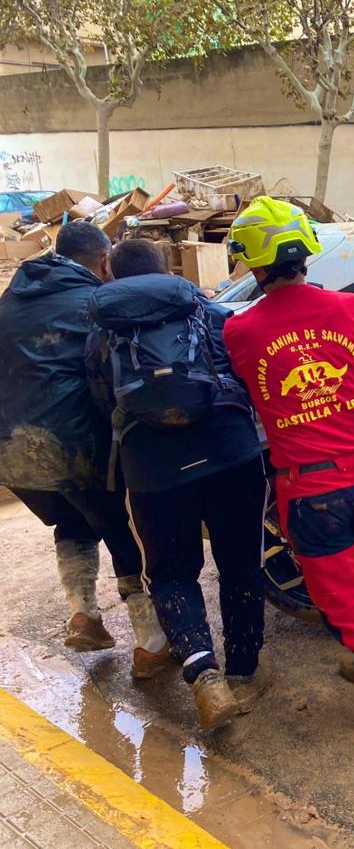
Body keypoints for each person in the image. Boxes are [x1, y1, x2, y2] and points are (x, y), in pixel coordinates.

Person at [222, 196, 354, 739]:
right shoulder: (353, 310)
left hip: (312, 492)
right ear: (305, 253)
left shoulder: (241, 332)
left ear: (254, 260)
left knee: (348, 604)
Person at [86, 239, 271, 731]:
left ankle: (203, 673)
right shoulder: (210, 313)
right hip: (232, 455)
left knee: (171, 574)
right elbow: (246, 376)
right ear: (166, 268)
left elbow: (103, 401)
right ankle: (245, 672)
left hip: (152, 469)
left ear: (109, 272)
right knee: (239, 562)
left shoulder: (101, 332)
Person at [0, 222, 167, 676]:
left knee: (72, 519)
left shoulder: (10, 300)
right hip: (79, 444)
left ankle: (84, 614)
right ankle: (150, 642)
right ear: (105, 261)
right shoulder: (94, 303)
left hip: (11, 451)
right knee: (122, 529)